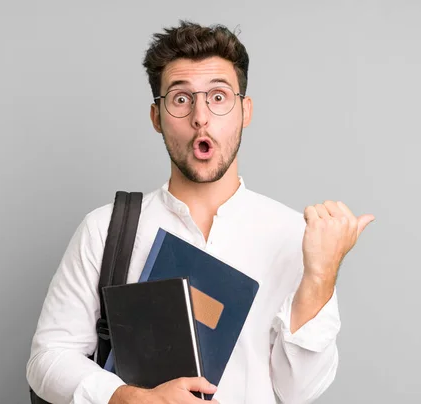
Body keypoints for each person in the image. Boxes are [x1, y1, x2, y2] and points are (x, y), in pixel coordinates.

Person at [26, 20, 374, 404]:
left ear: (245, 111)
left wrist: (321, 277)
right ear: (157, 117)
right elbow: (47, 359)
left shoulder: (296, 237)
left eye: (219, 97)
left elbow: (298, 392)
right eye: (180, 99)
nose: (200, 117)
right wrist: (132, 398)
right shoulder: (105, 230)